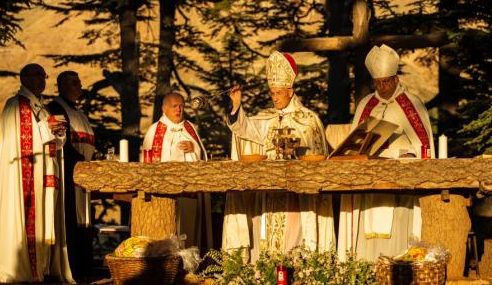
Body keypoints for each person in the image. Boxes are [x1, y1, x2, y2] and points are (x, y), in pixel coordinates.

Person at [222, 51, 334, 263]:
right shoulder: (268, 117)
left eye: (279, 93)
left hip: (298, 192)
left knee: (295, 237)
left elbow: (318, 153)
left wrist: (296, 152)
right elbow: (244, 129)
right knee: (270, 239)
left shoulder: (309, 119)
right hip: (270, 191)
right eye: (272, 93)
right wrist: (237, 105)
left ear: (290, 91)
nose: (274, 98)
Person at [337, 44, 435, 262]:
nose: (382, 87)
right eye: (378, 82)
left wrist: (406, 155)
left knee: (398, 236)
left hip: (400, 186)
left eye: (387, 81)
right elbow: (355, 145)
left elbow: (424, 146)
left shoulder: (410, 105)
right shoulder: (366, 105)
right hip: (370, 183)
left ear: (396, 79)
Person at [0, 64, 74, 283]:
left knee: (45, 220)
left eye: (43, 76)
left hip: (44, 174)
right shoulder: (16, 106)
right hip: (25, 175)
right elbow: (22, 141)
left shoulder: (43, 109)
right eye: (36, 75)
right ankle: (24, 268)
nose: (41, 80)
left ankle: (42, 267)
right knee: (28, 218)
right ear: (23, 77)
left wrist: (59, 134)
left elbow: (49, 140)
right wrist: (48, 130)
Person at [142, 92, 212, 250]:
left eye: (181, 106)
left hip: (189, 193)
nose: (179, 109)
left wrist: (193, 148)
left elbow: (202, 156)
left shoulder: (190, 128)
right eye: (174, 106)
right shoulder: (154, 131)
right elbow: (147, 165)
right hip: (165, 197)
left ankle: (189, 267)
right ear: (164, 109)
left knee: (188, 233)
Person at [47, 71, 94, 279]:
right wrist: (81, 165)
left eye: (79, 81)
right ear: (62, 86)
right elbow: (61, 143)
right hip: (69, 175)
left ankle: (84, 268)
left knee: (84, 221)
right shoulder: (56, 108)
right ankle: (72, 269)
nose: (79, 86)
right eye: (74, 83)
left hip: (85, 176)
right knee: (70, 221)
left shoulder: (80, 114)